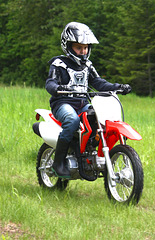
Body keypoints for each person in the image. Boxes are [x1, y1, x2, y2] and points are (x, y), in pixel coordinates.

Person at [45, 22, 131, 178]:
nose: (83, 51)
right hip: (62, 103)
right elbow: (50, 82)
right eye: (79, 47)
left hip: (82, 104)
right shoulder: (59, 64)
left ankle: (91, 153)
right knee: (71, 121)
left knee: (100, 121)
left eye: (85, 48)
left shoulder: (88, 65)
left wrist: (118, 87)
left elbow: (99, 83)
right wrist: (57, 88)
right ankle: (58, 163)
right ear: (68, 46)